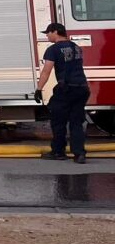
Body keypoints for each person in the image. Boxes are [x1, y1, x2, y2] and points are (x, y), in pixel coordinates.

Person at [36, 23, 90, 163]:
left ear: (55, 31)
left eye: (48, 33)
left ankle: (58, 152)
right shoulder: (76, 47)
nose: (47, 35)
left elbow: (46, 71)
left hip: (66, 89)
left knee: (58, 121)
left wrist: (38, 89)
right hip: (82, 88)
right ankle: (79, 154)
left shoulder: (53, 49)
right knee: (76, 122)